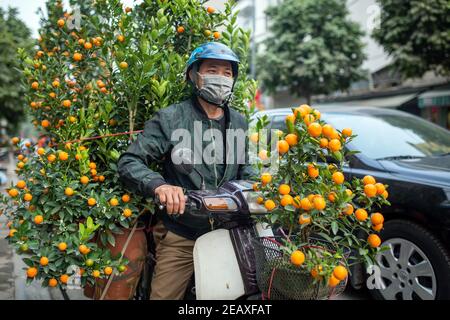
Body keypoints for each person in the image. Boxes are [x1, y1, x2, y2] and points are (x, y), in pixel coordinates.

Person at [117, 42, 256, 300]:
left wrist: (260, 187)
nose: (221, 78)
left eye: (227, 73)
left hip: (230, 232)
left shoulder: (238, 121)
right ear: (195, 75)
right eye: (213, 70)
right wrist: (160, 185)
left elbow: (247, 167)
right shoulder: (171, 118)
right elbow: (130, 161)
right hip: (182, 232)